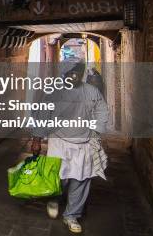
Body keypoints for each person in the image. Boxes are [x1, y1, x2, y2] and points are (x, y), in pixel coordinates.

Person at [30, 59, 108, 234]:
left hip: (84, 143)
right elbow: (42, 115)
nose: (75, 75)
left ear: (82, 74)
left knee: (81, 180)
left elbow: (102, 112)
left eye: (78, 72)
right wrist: (36, 139)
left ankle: (72, 215)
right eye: (71, 72)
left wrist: (96, 132)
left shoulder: (91, 92)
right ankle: (54, 199)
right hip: (59, 142)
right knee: (58, 178)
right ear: (63, 74)